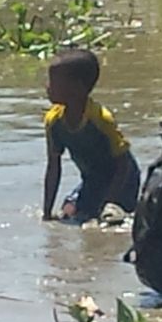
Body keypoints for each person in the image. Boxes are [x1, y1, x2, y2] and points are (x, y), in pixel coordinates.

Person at [42, 48, 140, 223]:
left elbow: (123, 165)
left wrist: (110, 202)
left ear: (77, 88)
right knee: (68, 213)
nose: (47, 86)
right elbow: (53, 167)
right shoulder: (54, 121)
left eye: (54, 82)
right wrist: (47, 212)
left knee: (108, 219)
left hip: (123, 181)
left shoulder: (101, 119)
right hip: (92, 180)